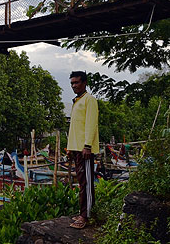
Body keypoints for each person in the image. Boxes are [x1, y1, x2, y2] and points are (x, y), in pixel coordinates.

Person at [67, 71, 99, 229]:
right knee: (81, 182)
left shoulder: (89, 100)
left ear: (84, 82)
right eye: (72, 83)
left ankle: (85, 216)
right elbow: (75, 128)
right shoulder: (76, 101)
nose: (74, 86)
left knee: (86, 183)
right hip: (76, 148)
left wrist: (87, 145)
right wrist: (70, 148)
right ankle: (83, 212)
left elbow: (91, 124)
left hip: (84, 149)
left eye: (77, 82)